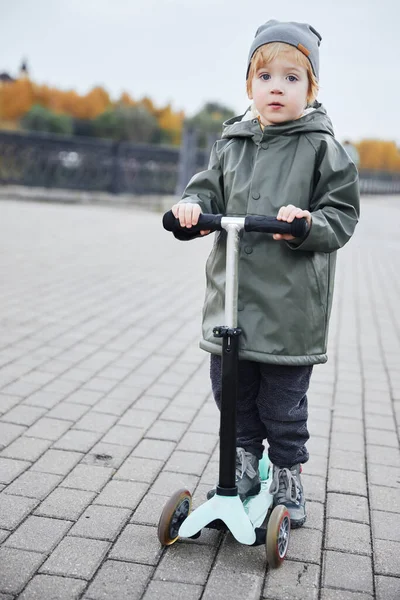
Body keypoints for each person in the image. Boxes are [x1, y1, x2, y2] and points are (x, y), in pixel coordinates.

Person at [170, 19, 360, 528]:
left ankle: (288, 471)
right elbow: (207, 189)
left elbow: (341, 214)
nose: (277, 87)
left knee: (282, 402)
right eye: (266, 77)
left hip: (290, 306)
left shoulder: (323, 146)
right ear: (250, 85)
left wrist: (307, 225)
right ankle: (243, 464)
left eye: (292, 78)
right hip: (232, 297)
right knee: (230, 392)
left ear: (311, 88)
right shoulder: (232, 141)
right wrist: (193, 208)